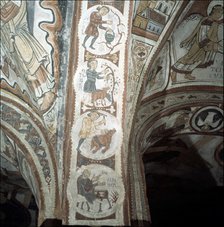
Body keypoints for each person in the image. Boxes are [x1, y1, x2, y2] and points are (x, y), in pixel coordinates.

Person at [0, 0, 55, 111]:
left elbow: (5, 16)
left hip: (17, 35)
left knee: (29, 59)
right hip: (7, 36)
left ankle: (46, 93)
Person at [171, 4, 223, 82]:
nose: (220, 16)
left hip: (205, 45)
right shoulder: (204, 19)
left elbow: (214, 37)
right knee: (188, 57)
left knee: (198, 60)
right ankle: (174, 72)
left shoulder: (215, 24)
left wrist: (214, 43)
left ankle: (187, 73)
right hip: (198, 43)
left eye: (221, 14)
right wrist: (187, 40)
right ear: (215, 12)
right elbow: (195, 31)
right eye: (220, 13)